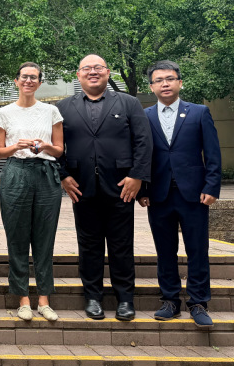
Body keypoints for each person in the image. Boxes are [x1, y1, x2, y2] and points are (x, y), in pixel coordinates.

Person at [57, 54, 152, 321]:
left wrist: (137, 176)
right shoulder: (63, 107)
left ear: (108, 73)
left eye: (98, 67)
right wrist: (63, 176)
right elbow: (54, 146)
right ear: (78, 75)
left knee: (122, 245)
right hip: (81, 186)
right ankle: (93, 298)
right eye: (86, 68)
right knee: (89, 246)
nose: (93, 72)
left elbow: (143, 141)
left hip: (122, 186)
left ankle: (125, 299)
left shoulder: (129, 103)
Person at [137, 60, 221, 327]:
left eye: (170, 78)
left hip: (194, 194)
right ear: (151, 87)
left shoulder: (199, 112)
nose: (165, 84)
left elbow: (213, 153)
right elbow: (141, 155)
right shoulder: (144, 116)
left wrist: (211, 187)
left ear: (180, 82)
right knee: (165, 250)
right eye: (159, 80)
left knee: (198, 249)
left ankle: (198, 302)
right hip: (158, 194)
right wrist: (142, 190)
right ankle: (170, 300)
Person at [0, 62, 63, 321]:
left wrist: (45, 146)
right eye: (24, 77)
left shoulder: (51, 111)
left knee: (45, 238)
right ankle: (23, 299)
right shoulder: (4, 112)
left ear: (40, 82)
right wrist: (16, 146)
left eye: (34, 77)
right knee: (17, 237)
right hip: (16, 172)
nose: (29, 81)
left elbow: (59, 150)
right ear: (16, 80)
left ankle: (44, 300)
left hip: (46, 173)